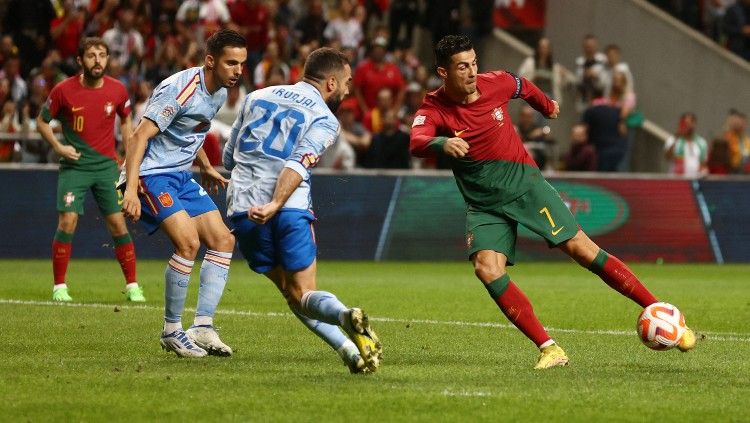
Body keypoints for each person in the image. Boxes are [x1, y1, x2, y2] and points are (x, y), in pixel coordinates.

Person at [409, 35, 697, 370]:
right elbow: (417, 140)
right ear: (444, 73)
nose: (472, 71)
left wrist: (546, 105)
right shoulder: (433, 108)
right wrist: (441, 144)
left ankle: (662, 313)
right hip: (484, 204)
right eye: (462, 66)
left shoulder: (496, 82)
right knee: (487, 269)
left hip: (526, 187)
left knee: (582, 250)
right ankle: (549, 348)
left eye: (474, 62)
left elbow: (522, 85)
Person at [223, 47, 383, 373]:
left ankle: (350, 352)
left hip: (244, 208)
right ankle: (342, 314)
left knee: (291, 293)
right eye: (348, 83)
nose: (349, 90)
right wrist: (277, 203)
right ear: (331, 82)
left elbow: (229, 155)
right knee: (305, 291)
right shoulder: (325, 118)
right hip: (289, 208)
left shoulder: (255, 97)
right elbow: (298, 163)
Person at [120, 29, 247, 358]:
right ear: (210, 61)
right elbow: (138, 137)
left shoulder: (219, 91)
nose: (238, 70)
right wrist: (131, 188)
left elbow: (195, 128)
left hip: (180, 174)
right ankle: (172, 330)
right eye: (231, 63)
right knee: (188, 242)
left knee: (223, 240)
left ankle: (203, 327)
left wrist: (204, 165)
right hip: (151, 173)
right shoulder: (182, 89)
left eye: (242, 64)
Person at [36, 37, 144, 303]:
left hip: (107, 167)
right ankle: (59, 286)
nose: (98, 60)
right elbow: (42, 122)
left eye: (103, 55)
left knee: (118, 224)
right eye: (92, 55)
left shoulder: (118, 90)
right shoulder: (63, 91)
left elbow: (127, 120)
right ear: (80, 61)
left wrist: (127, 157)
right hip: (75, 167)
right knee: (68, 221)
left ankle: (132, 286)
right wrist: (59, 148)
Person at [664, 113, 708, 177]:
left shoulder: (702, 142)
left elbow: (703, 163)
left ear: (694, 124)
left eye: (689, 123)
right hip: (676, 180)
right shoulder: (672, 140)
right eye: (684, 123)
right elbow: (667, 157)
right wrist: (676, 138)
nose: (687, 126)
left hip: (694, 182)